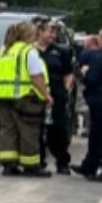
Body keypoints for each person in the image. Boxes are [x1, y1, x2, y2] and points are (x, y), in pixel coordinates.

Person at [0, 20, 51, 177]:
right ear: (28, 35)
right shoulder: (28, 51)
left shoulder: (2, 51)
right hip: (25, 97)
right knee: (28, 131)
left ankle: (8, 165)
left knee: (7, 130)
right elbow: (35, 77)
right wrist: (46, 95)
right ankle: (31, 166)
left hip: (2, 97)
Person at [37, 19, 76, 174]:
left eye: (55, 32)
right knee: (36, 130)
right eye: (49, 31)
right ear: (39, 31)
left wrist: (66, 89)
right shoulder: (30, 51)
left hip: (56, 95)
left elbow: (68, 73)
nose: (53, 35)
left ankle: (62, 162)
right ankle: (38, 161)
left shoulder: (61, 51)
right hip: (36, 95)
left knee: (58, 130)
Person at [76, 27, 102, 180]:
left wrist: (83, 74)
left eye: (100, 39)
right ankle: (89, 165)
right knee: (100, 135)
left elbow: (92, 79)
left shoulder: (101, 57)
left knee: (101, 136)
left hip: (101, 101)